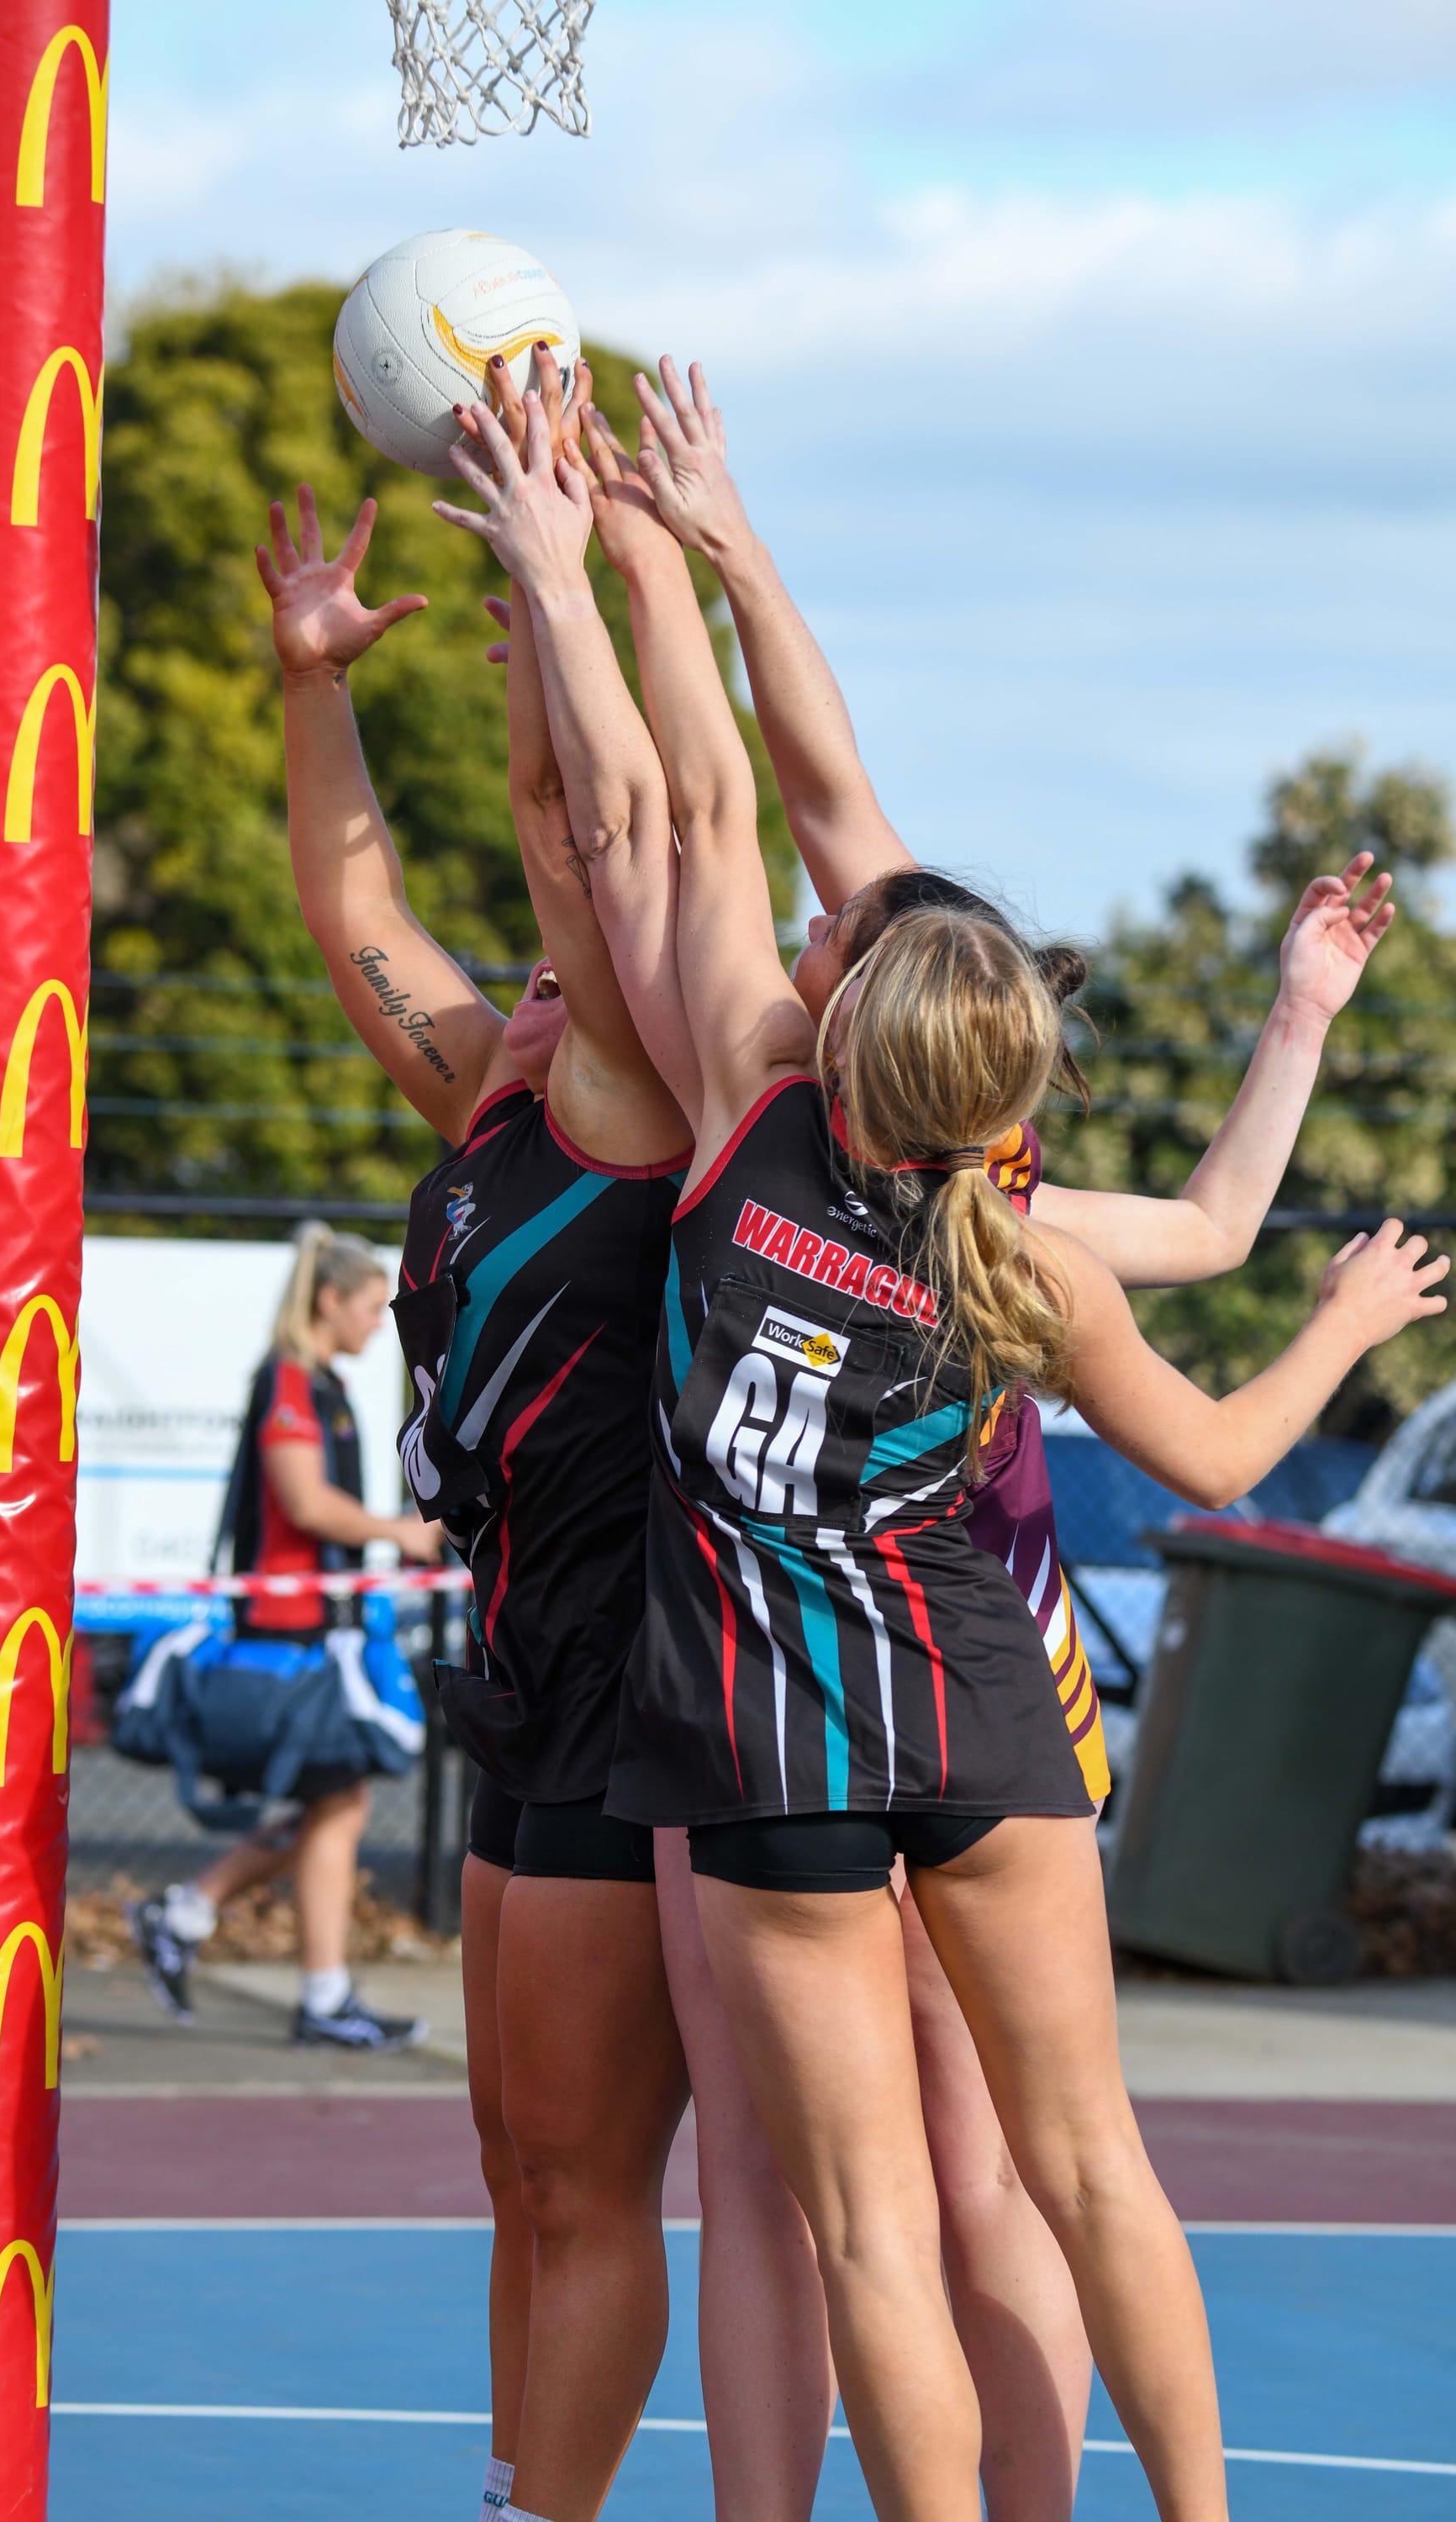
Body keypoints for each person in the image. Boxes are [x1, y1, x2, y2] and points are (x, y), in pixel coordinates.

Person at [441, 386, 1444, 2522]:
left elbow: (666, 814)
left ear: (846, 1022)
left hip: (771, 1738)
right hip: (979, 1701)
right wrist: (1342, 1318)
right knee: (1088, 2161)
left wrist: (582, 556)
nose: (815, 917)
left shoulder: (740, 1131)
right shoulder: (1021, 1246)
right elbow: (1211, 1455)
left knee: (866, 2224)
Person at [253, 383, 696, 2522]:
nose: (515, 972)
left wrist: (558, 573)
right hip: (517, 1680)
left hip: (638, 1691)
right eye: (506, 972)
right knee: (509, 2157)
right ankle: (528, 2481)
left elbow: (578, 823)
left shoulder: (621, 1114)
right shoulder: (477, 1122)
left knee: (591, 2168)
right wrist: (309, 683)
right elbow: (350, 892)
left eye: (548, 956)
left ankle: (557, 2507)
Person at [130, 1226, 440, 2050]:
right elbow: (302, 1503)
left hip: (314, 1626)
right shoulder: (292, 1383)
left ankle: (195, 1916)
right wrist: (397, 1533)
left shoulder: (323, 1386)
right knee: (338, 1801)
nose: (381, 1323)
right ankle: (313, 1989)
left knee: (332, 1802)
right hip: (287, 1633)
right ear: (328, 1302)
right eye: (371, 1307)